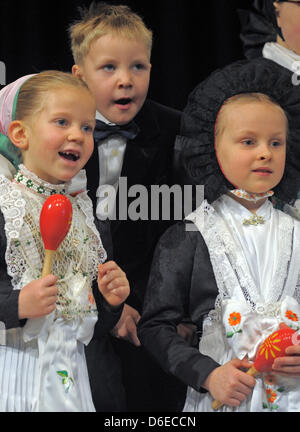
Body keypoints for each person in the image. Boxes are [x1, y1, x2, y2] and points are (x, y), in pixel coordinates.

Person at [138, 58, 300, 412]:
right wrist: (209, 374)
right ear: (212, 147)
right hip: (221, 400)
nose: (264, 153)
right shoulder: (189, 235)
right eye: (248, 141)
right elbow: (155, 326)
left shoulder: (297, 233)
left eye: (276, 143)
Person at [69, 2, 187, 411]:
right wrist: (107, 308)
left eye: (138, 67)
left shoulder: (177, 133)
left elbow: (182, 232)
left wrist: (160, 310)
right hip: (80, 311)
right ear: (79, 76)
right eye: (109, 69)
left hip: (153, 314)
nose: (126, 80)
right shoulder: (60, 136)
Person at [0, 71, 129, 412]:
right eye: (62, 122)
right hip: (11, 378)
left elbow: (88, 327)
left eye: (87, 127)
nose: (78, 135)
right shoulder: (4, 206)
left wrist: (110, 303)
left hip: (72, 382)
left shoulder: (89, 217)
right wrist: (15, 305)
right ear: (20, 133)